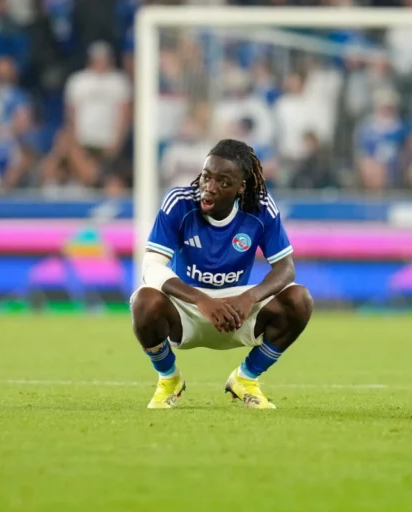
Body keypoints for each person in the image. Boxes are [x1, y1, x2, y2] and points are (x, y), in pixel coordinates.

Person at [130, 139, 314, 410]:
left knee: (300, 299)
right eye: (206, 177)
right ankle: (169, 379)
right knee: (144, 301)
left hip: (237, 309)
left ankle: (246, 378)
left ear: (241, 187)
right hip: (187, 308)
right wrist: (200, 299)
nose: (210, 188)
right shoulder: (179, 202)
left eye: (223, 182)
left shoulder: (260, 206)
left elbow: (286, 269)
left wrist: (249, 298)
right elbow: (151, 267)